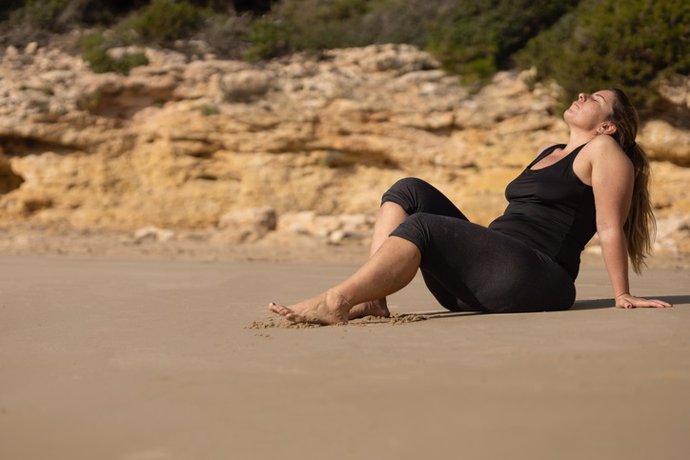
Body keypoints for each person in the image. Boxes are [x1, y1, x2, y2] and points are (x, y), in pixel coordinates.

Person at [269, 88, 673, 325]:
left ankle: (336, 301)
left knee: (424, 226)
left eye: (597, 98)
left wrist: (623, 293)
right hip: (487, 276)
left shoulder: (605, 152)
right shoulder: (547, 150)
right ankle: (373, 298)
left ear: (608, 126)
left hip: (538, 278)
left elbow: (609, 226)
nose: (583, 94)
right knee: (408, 189)